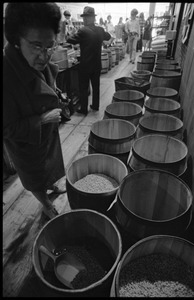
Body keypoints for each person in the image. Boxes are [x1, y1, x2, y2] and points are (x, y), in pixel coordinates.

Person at [3, 3, 66, 220]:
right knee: (35, 178)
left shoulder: (37, 59)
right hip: (27, 145)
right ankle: (45, 202)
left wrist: (54, 87)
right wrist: (42, 118)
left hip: (46, 136)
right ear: (16, 40)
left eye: (50, 46)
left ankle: (52, 185)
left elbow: (44, 83)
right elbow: (7, 129)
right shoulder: (6, 75)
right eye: (37, 46)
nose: (45, 55)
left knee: (51, 166)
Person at [66, 6, 111, 115]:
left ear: (89, 18)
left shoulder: (83, 30)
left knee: (83, 88)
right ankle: (95, 106)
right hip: (97, 64)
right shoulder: (100, 30)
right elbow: (108, 36)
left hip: (85, 65)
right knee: (96, 87)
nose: (84, 19)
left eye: (85, 17)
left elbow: (70, 40)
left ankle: (84, 109)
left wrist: (70, 33)